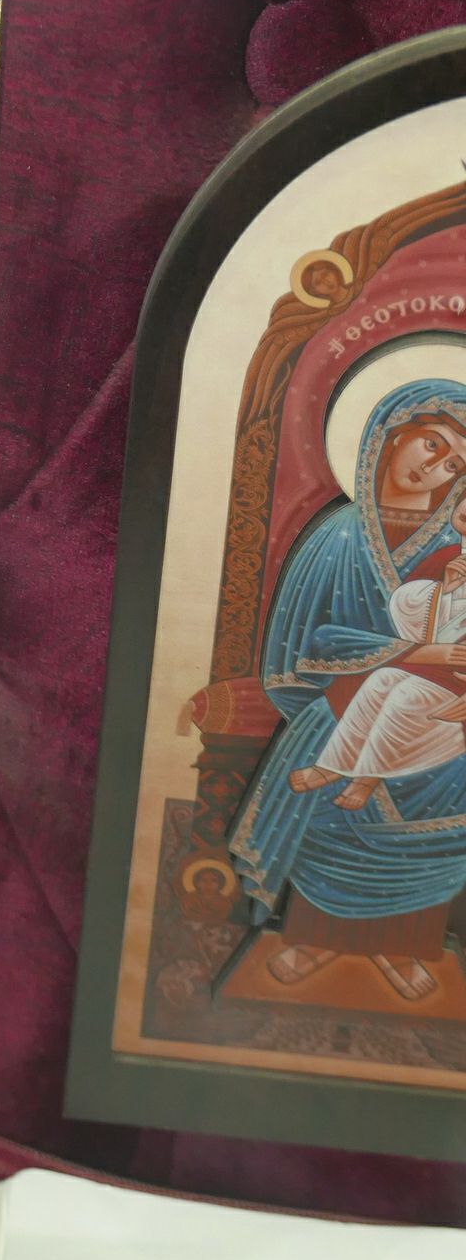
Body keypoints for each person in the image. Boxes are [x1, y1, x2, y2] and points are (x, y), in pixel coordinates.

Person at [230, 380, 466, 1001]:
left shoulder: (454, 549)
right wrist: (416, 653)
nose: (434, 468)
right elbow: (307, 645)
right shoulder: (338, 535)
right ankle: (316, 937)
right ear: (393, 433)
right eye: (432, 443)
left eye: (454, 465)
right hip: (341, 704)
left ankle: (402, 943)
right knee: (330, 787)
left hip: (441, 711)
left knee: (452, 785)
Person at [290, 484, 466, 809]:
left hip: (458, 687)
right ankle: (333, 765)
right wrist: (443, 590)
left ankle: (366, 778)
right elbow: (408, 618)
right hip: (431, 671)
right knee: (381, 680)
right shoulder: (447, 559)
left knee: (406, 695)